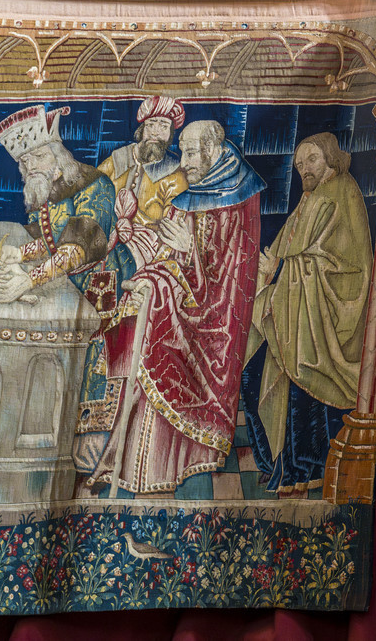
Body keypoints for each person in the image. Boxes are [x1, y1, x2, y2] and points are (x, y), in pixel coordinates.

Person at [92, 119, 265, 494]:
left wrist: (189, 251)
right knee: (147, 303)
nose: (182, 162)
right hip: (175, 300)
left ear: (212, 150)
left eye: (189, 153)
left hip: (212, 317)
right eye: (182, 152)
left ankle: (166, 467)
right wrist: (153, 269)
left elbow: (232, 276)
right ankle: (133, 467)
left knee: (155, 318)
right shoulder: (192, 189)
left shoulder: (238, 194)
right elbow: (169, 248)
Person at [0, 106, 136, 476]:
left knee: (94, 364)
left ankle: (95, 447)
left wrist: (29, 279)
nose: (29, 168)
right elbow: (50, 240)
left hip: (104, 284)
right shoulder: (45, 187)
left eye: (36, 157)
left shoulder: (93, 184)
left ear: (58, 155)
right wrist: (20, 253)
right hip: (70, 279)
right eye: (24, 163)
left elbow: (78, 246)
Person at [241, 132, 373, 494]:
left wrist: (284, 268)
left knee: (301, 386)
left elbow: (347, 266)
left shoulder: (343, 192)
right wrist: (272, 269)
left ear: (331, 157)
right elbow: (284, 250)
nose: (305, 169)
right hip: (295, 309)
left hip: (320, 321)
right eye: (300, 165)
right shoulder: (309, 199)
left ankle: (303, 469)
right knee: (252, 374)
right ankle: (277, 463)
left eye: (312, 160)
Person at [99, 95, 188, 229]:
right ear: (141, 129)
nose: (155, 133)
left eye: (164, 126)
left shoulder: (176, 174)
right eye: (150, 125)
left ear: (170, 133)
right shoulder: (117, 159)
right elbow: (93, 194)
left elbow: (172, 225)